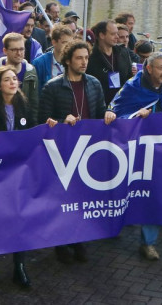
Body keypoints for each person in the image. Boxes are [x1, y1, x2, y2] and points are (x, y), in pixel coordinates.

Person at [109, 52, 162, 260]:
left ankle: (148, 243)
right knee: (126, 190)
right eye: (161, 68)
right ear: (148, 68)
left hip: (158, 151)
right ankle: (116, 223)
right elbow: (116, 113)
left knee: (153, 192)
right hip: (134, 149)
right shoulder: (132, 88)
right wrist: (136, 116)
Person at [40, 41, 116, 264]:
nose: (84, 62)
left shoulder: (93, 83)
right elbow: (42, 120)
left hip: (87, 148)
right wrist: (62, 121)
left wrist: (109, 113)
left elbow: (101, 109)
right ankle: (61, 242)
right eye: (79, 58)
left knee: (83, 197)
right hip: (62, 151)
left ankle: (80, 239)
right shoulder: (52, 87)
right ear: (67, 61)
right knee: (63, 199)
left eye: (86, 57)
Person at [0, 65, 37, 288]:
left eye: (15, 79)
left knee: (19, 215)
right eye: (8, 80)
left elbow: (33, 131)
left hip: (19, 171)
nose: (13, 82)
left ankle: (19, 266)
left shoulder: (24, 106)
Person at [86, 20, 133, 105]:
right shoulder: (90, 57)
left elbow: (129, 78)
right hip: (99, 105)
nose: (117, 37)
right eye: (113, 34)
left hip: (121, 103)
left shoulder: (123, 52)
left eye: (117, 33)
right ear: (102, 35)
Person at [33, 24, 73, 90]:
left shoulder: (73, 62)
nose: (68, 46)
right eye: (64, 43)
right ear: (54, 42)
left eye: (70, 43)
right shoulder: (39, 63)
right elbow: (36, 91)